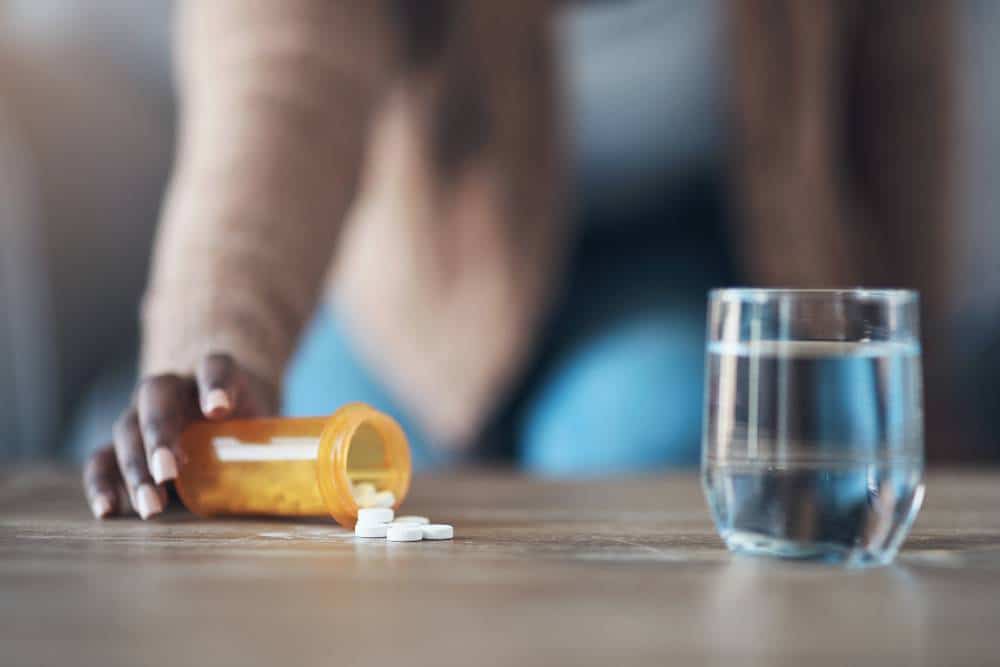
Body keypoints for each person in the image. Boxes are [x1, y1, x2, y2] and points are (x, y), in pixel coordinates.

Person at [81, 1, 954, 519]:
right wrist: (214, 337)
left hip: (688, 246)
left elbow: (906, 84)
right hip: (419, 261)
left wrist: (916, 383)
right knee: (339, 525)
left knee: (644, 462)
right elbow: (284, 68)